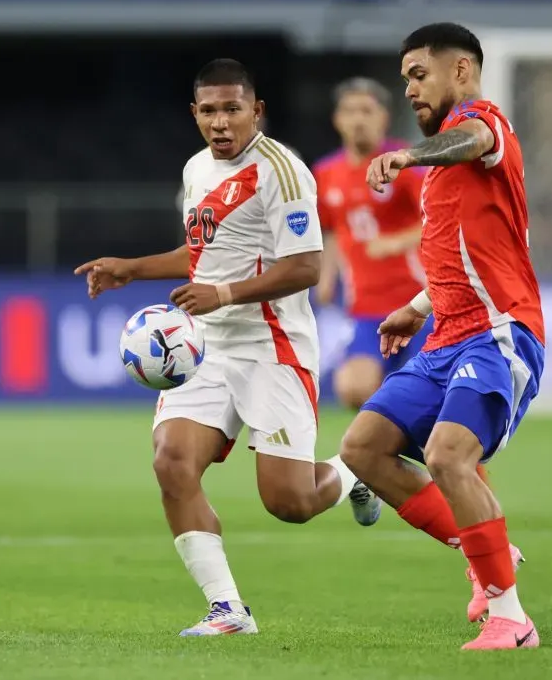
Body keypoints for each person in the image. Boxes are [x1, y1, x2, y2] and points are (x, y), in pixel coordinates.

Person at [74, 58, 381, 637]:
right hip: (207, 346)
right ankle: (227, 610)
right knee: (171, 461)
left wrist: (226, 292)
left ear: (256, 110)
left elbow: (307, 266)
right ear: (194, 114)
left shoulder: (284, 172)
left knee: (290, 503)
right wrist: (131, 268)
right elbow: (202, 252)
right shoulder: (196, 170)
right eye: (209, 111)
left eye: (232, 109)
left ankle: (355, 471)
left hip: (274, 347)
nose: (221, 122)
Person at [338, 23, 546, 651]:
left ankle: (512, 618)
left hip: (498, 333)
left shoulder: (487, 127)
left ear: (460, 71)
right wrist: (414, 305)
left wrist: (408, 154)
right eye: (405, 80)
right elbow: (469, 255)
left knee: (449, 457)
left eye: (418, 75)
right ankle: (486, 546)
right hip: (444, 336)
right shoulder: (441, 175)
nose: (410, 90)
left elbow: (473, 137)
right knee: (363, 448)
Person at [313, 77, 429, 408]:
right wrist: (326, 276)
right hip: (366, 308)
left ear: (383, 118)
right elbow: (331, 228)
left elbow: (442, 219)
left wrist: (396, 241)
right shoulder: (326, 172)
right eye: (349, 110)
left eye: (367, 110)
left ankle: (442, 456)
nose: (358, 119)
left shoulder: (405, 163)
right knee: (353, 388)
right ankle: (387, 452)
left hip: (419, 303)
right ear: (337, 119)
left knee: (422, 397)